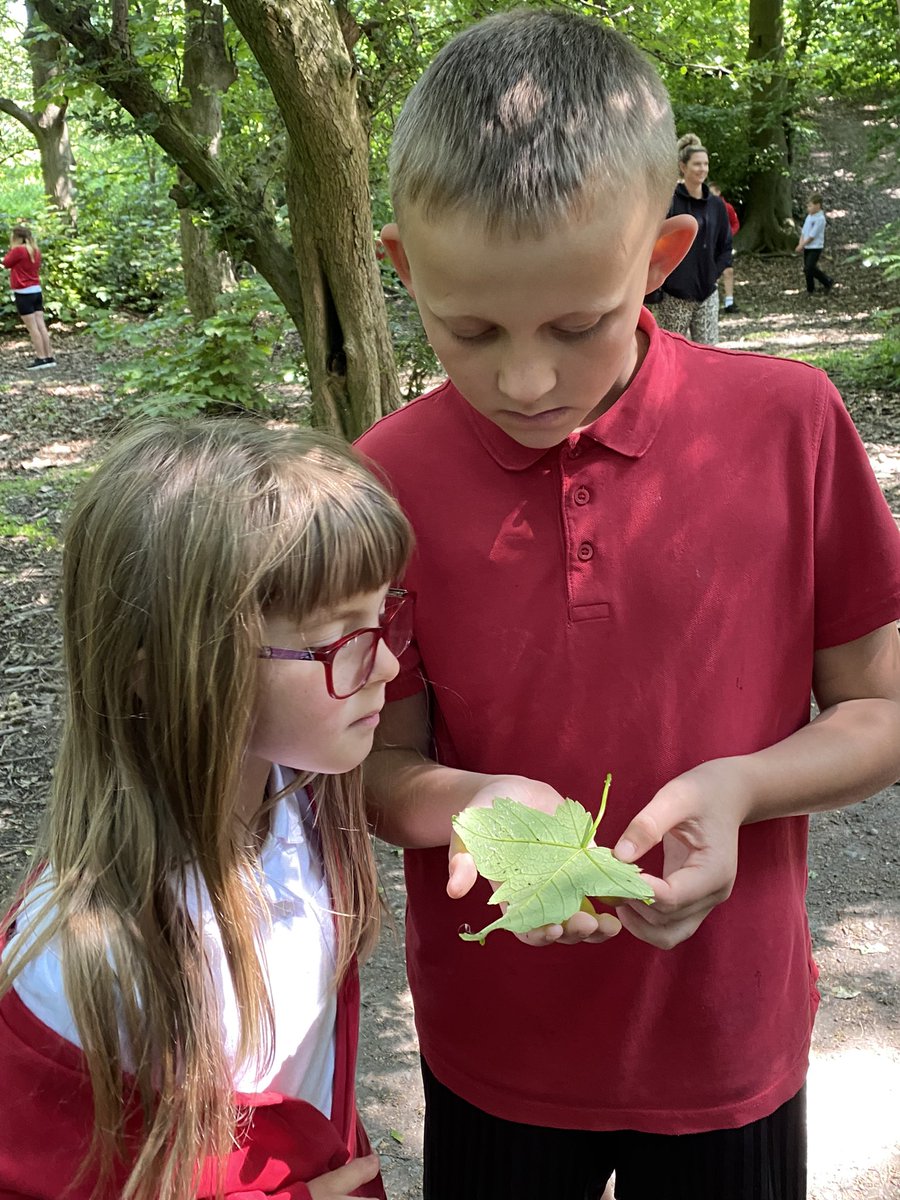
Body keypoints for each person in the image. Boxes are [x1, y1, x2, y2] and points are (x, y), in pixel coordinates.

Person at [356, 10, 900, 1200]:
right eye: (469, 330)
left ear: (662, 257)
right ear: (403, 267)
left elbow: (881, 711)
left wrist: (743, 786)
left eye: (578, 325)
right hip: (496, 1049)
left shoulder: (788, 425)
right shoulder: (380, 483)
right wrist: (474, 805)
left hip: (727, 1039)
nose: (525, 379)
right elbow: (378, 770)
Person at [0, 418, 414, 1200]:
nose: (387, 664)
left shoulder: (301, 797)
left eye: (382, 617)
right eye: (335, 639)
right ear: (158, 675)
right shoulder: (94, 958)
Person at [655, 134, 733, 344]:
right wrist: (662, 283)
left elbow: (725, 246)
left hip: (707, 294)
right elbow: (654, 244)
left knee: (709, 354)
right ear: (683, 166)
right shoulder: (669, 202)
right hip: (674, 295)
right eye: (697, 164)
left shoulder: (716, 205)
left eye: (706, 164)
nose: (702, 169)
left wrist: (713, 274)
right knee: (671, 352)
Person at [1, 225, 56, 370]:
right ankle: (49, 356)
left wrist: (12, 248)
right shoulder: (35, 250)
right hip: (36, 290)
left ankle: (41, 358)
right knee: (41, 325)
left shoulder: (18, 250)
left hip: (23, 293)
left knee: (32, 328)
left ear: (17, 238)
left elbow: (6, 263)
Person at [708, 182, 740, 313]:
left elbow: (735, 223)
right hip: (709, 246)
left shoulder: (727, 207)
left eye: (712, 192)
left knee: (728, 271)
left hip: (724, 245)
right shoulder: (705, 207)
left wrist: (729, 234)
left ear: (718, 192)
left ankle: (729, 302)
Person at [795, 193, 835, 295]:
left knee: (810, 267)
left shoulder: (820, 219)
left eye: (810, 206)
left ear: (818, 206)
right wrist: (801, 243)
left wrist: (802, 245)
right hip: (807, 246)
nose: (808, 208)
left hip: (816, 247)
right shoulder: (809, 217)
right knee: (807, 269)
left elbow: (812, 235)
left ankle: (827, 281)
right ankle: (810, 289)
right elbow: (804, 232)